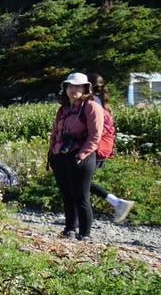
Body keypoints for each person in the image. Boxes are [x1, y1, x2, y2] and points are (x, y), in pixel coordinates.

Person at [48, 72, 104, 240]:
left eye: (78, 86)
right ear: (65, 88)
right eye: (70, 86)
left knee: (81, 196)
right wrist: (52, 153)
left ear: (85, 88)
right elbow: (55, 133)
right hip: (61, 155)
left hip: (81, 157)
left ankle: (85, 234)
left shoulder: (91, 107)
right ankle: (69, 229)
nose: (74, 89)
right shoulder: (63, 109)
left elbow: (95, 136)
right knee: (67, 195)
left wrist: (82, 154)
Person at [87, 73, 135, 223]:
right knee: (81, 183)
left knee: (80, 182)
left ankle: (117, 202)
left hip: (92, 148)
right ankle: (76, 214)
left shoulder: (91, 102)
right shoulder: (102, 101)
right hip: (102, 149)